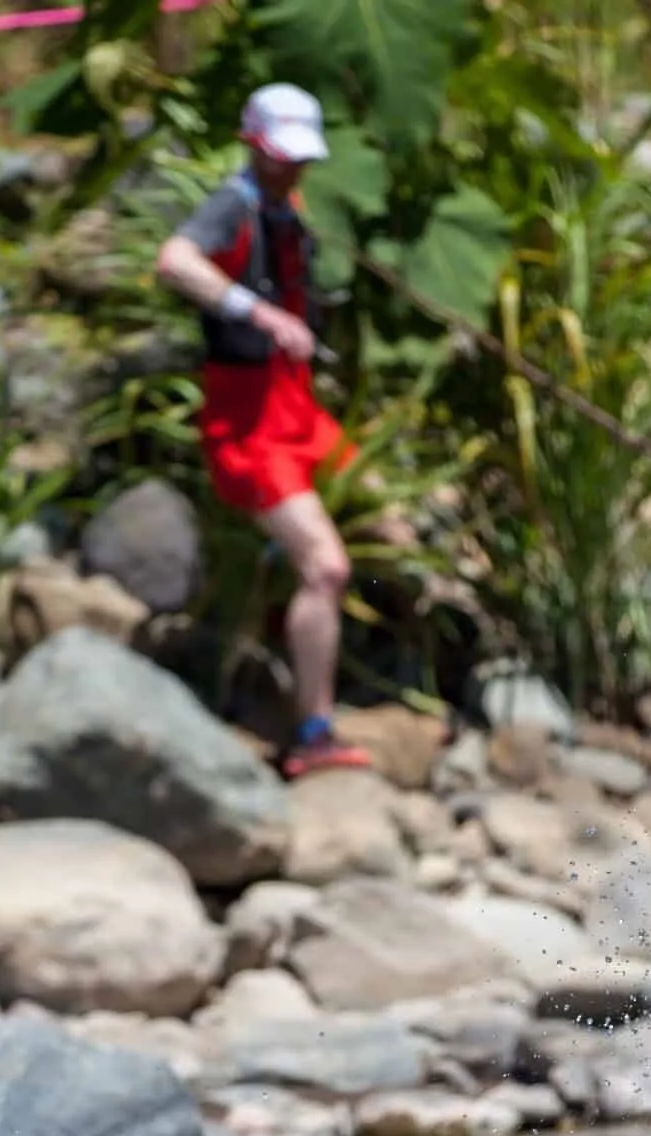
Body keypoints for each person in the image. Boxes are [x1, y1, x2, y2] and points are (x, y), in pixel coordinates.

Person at [155, 82, 371, 777]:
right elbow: (175, 261)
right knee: (328, 565)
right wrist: (260, 313)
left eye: (300, 158)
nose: (293, 169)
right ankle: (313, 730)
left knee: (394, 524)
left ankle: (312, 630)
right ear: (253, 145)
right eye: (280, 157)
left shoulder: (289, 208)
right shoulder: (232, 204)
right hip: (249, 423)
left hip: (299, 410)